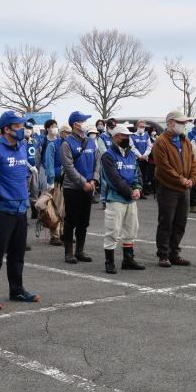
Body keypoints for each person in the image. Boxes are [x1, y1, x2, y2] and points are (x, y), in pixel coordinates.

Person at [0, 110, 40, 310]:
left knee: (17, 254)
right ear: (7, 129)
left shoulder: (22, 147)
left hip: (21, 208)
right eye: (18, 126)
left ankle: (17, 290)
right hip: (2, 209)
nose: (22, 130)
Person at [154, 111, 196, 268]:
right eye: (181, 123)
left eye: (185, 123)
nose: (183, 125)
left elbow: (193, 163)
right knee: (166, 221)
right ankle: (163, 254)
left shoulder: (185, 142)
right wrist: (181, 180)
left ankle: (174, 253)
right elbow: (164, 167)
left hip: (184, 188)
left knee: (180, 222)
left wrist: (192, 179)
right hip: (168, 187)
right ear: (171, 123)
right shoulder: (161, 142)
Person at [100, 124, 145, 274]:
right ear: (116, 137)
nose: (128, 138)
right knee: (112, 230)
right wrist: (130, 192)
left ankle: (128, 259)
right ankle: (109, 262)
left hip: (130, 198)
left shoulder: (131, 154)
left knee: (131, 229)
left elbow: (137, 173)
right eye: (124, 136)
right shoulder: (108, 156)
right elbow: (113, 179)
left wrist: (138, 188)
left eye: (128, 136)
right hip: (115, 198)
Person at [61, 111, 100, 264]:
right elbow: (68, 167)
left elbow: (98, 160)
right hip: (73, 188)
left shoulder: (90, 142)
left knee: (84, 221)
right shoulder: (67, 143)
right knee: (71, 220)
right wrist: (83, 182)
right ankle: (69, 252)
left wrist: (94, 180)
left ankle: (80, 251)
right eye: (83, 121)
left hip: (89, 186)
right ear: (75, 124)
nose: (86, 124)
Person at [41, 120, 64, 246]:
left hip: (66, 180)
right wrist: (50, 180)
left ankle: (63, 232)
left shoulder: (66, 144)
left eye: (56, 126)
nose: (55, 128)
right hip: (55, 179)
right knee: (55, 209)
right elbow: (48, 163)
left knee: (65, 209)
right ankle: (54, 235)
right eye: (53, 126)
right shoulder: (52, 144)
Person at [130, 120, 153, 199]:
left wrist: (144, 155)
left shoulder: (146, 135)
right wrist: (140, 156)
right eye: (140, 126)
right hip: (136, 159)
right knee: (137, 176)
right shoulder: (132, 136)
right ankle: (137, 191)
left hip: (145, 159)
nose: (142, 128)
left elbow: (149, 147)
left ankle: (142, 191)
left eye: (143, 127)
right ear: (137, 126)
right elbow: (132, 147)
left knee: (144, 176)